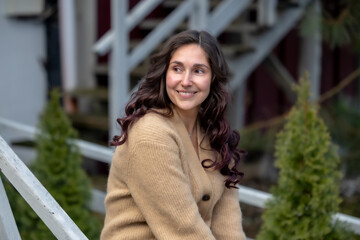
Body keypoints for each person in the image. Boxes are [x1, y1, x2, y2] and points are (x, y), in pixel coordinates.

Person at [101, 30, 246, 240]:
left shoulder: (215, 136)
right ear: (164, 74)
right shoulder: (151, 134)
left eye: (198, 71)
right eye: (177, 69)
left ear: (213, 78)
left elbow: (229, 230)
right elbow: (184, 231)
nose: (186, 81)